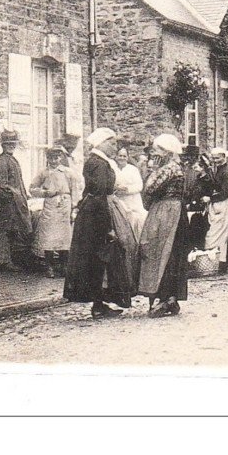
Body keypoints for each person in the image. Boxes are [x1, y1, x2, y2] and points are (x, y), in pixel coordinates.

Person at [63, 127, 138, 319]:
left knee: (99, 260)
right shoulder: (98, 164)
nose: (115, 147)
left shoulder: (99, 162)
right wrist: (108, 227)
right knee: (98, 259)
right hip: (96, 216)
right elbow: (98, 195)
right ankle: (98, 305)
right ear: (102, 143)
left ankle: (100, 302)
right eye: (112, 143)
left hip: (95, 213)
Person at [137, 134, 190, 318]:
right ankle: (169, 297)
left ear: (167, 152)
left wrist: (148, 170)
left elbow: (149, 188)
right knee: (170, 254)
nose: (155, 153)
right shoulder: (175, 167)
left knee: (163, 253)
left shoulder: (168, 169)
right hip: (171, 211)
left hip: (167, 213)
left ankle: (164, 297)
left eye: (158, 150)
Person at [0, 129, 33, 271]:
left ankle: (8, 260)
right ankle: (3, 261)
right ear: (3, 145)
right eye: (8, 144)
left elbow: (17, 182)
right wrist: (12, 196)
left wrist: (23, 194)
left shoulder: (12, 160)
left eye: (13, 144)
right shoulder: (1, 162)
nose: (11, 146)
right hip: (4, 204)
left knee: (11, 232)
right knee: (3, 232)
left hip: (13, 203)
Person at [29, 146, 78, 278]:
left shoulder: (68, 172)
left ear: (61, 158)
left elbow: (75, 190)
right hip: (50, 205)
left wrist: (74, 207)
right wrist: (45, 193)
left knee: (64, 236)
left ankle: (64, 266)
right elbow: (32, 188)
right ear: (47, 158)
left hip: (64, 205)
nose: (54, 161)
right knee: (48, 236)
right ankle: (49, 266)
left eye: (56, 158)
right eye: (51, 158)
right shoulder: (43, 173)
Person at [113, 146, 147, 239]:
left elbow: (139, 186)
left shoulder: (133, 169)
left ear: (128, 157)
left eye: (124, 156)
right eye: (120, 155)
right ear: (116, 156)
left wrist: (127, 189)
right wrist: (116, 189)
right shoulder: (113, 169)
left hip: (133, 201)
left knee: (136, 224)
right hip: (118, 200)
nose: (122, 158)